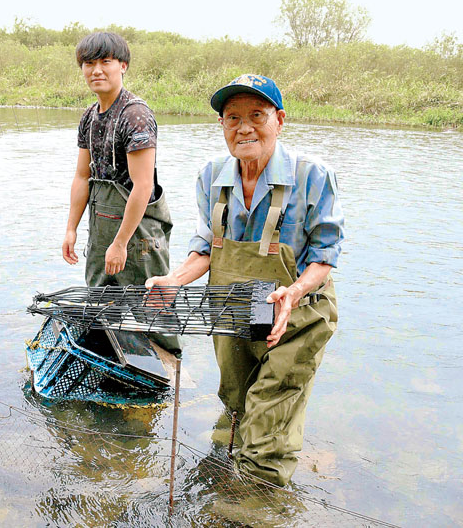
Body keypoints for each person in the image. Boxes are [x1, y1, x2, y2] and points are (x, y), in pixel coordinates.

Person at [146, 74, 344, 486]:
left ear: (279, 120)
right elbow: (207, 245)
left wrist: (295, 290)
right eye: (232, 117)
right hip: (232, 307)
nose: (244, 127)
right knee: (236, 400)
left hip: (298, 313)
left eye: (257, 114)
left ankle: (260, 501)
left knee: (272, 408)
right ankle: (223, 472)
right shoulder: (210, 175)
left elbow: (325, 256)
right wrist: (174, 280)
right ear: (222, 125)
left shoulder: (313, 175)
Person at [62, 31, 179, 352]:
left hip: (139, 233)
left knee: (151, 306)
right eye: (88, 63)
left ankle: (169, 378)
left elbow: (142, 185)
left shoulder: (135, 114)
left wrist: (121, 243)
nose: (96, 70)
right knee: (100, 306)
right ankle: (114, 366)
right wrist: (71, 228)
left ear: (123, 66)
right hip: (102, 227)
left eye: (105, 62)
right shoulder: (89, 116)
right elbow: (82, 176)